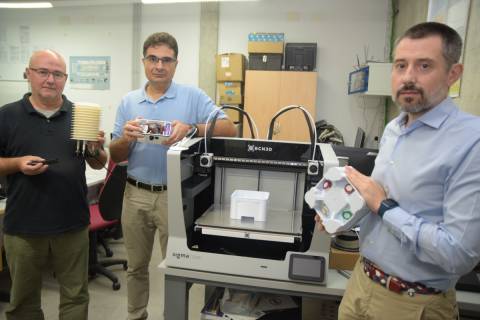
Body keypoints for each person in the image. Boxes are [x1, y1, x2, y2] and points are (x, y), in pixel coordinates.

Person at [316, 22, 480, 319]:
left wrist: (385, 206)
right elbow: (374, 197)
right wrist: (339, 215)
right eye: (401, 65)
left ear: (453, 74)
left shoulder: (471, 142)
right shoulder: (394, 129)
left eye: (424, 66)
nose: (408, 77)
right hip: (361, 285)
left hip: (413, 304)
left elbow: (459, 254)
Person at [109, 32, 236, 320]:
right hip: (136, 194)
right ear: (144, 62)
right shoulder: (129, 102)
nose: (159, 65)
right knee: (136, 266)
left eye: (166, 60)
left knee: (177, 267)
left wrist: (191, 129)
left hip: (175, 197)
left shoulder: (192, 97)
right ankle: (136, 315)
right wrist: (125, 138)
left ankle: (173, 315)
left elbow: (230, 129)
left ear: (175, 64)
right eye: (153, 59)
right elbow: (115, 156)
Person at [0, 50, 108, 320]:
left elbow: (98, 163)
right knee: (23, 302)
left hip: (72, 223)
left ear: (65, 78)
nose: (50, 79)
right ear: (28, 73)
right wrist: (17, 164)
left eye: (57, 74)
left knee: (75, 297)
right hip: (23, 226)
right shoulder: (7, 116)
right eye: (43, 72)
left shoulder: (80, 114)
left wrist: (96, 149)